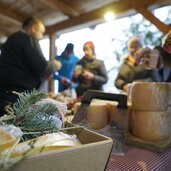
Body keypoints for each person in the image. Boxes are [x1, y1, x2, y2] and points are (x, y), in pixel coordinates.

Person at [0, 17, 61, 116]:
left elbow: (24, 66)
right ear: (34, 29)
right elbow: (41, 66)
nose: (41, 36)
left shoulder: (13, 38)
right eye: (41, 32)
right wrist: (55, 65)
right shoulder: (27, 38)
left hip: (5, 93)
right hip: (16, 97)